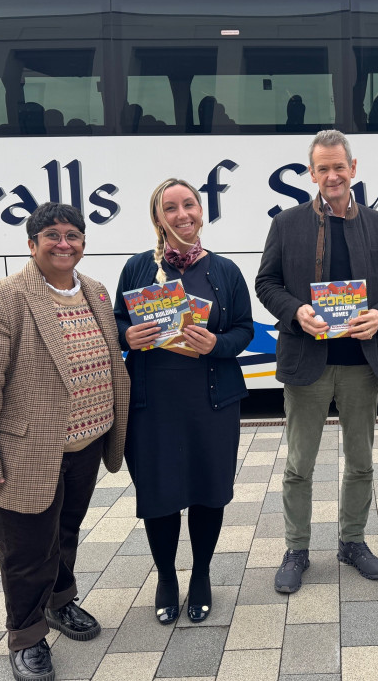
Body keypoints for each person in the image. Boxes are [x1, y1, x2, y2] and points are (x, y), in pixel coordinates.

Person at [0, 202, 130, 681]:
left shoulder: (94, 291)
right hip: (25, 454)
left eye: (73, 235)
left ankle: (60, 601)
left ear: (83, 244)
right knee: (27, 553)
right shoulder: (1, 297)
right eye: (52, 235)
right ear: (32, 245)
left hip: (85, 446)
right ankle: (26, 637)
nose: (63, 243)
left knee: (64, 533)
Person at [255, 129, 378, 593]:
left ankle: (352, 542)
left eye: (339, 166)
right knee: (299, 465)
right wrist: (294, 311)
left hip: (362, 363)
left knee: (360, 462)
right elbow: (266, 283)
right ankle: (296, 549)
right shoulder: (287, 224)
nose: (332, 175)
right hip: (308, 362)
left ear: (353, 168)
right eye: (323, 168)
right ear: (312, 173)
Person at [114, 178, 253, 624]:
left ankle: (202, 574)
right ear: (158, 217)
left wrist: (217, 343)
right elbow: (116, 321)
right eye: (170, 207)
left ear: (201, 210)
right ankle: (166, 577)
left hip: (211, 404)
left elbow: (245, 330)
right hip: (152, 406)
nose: (182, 214)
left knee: (208, 493)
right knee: (160, 494)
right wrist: (127, 336)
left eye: (189, 204)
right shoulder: (137, 268)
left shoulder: (225, 271)